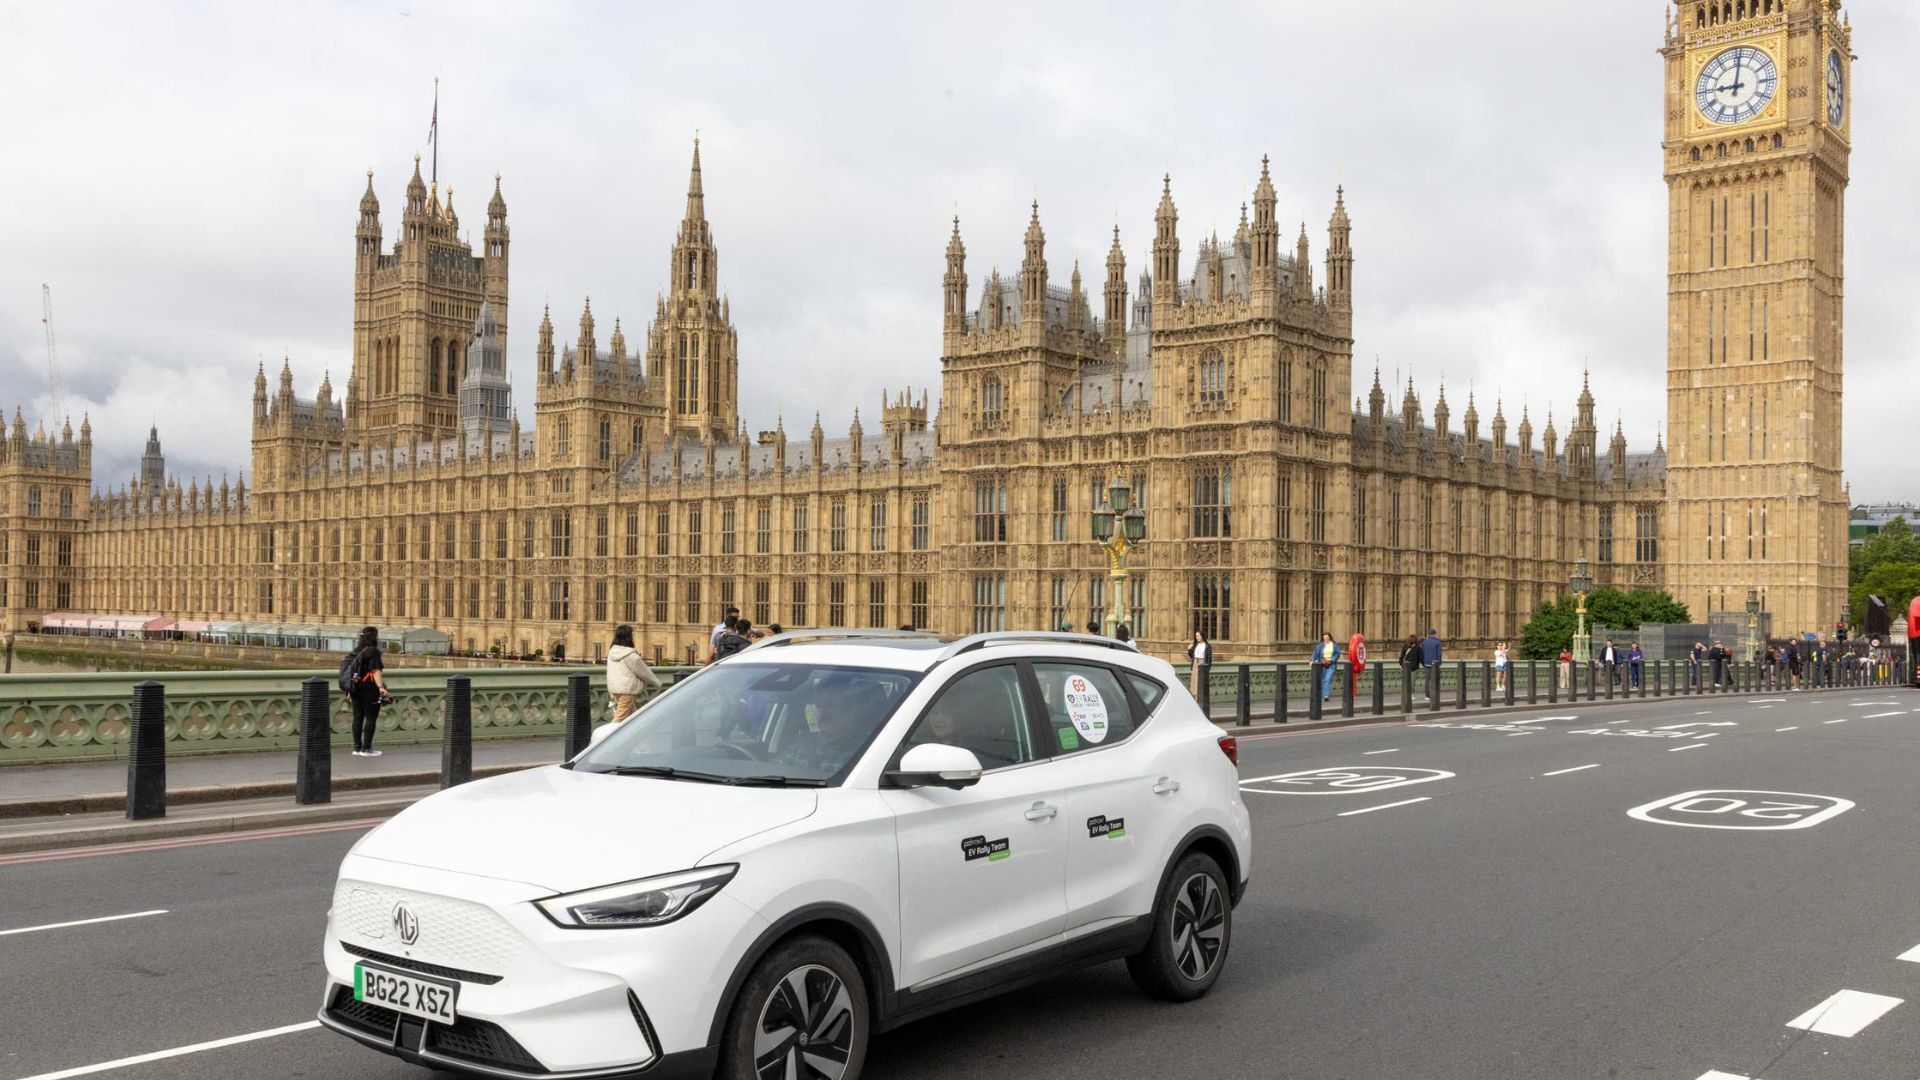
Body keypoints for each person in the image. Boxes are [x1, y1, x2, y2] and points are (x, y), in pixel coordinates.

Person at [346, 626, 391, 758]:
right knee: (371, 718)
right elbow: (375, 670)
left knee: (357, 718)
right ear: (374, 637)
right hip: (369, 688)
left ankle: (357, 747)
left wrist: (350, 689)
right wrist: (381, 687)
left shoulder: (356, 651)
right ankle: (366, 748)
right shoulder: (373, 652)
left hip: (355, 688)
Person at [606, 624, 663, 724]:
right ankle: (606, 738)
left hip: (615, 689)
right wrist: (658, 683)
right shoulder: (630, 655)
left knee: (632, 717)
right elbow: (644, 672)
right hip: (627, 689)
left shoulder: (612, 652)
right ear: (629, 637)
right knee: (619, 718)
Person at [1314, 632, 1340, 701]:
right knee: (1323, 680)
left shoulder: (1334, 645)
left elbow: (1338, 653)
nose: (1325, 638)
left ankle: (1326, 695)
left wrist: (1332, 659)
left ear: (1330, 637)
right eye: (1324, 637)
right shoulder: (1320, 645)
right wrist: (1311, 660)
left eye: (1327, 637)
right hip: (1322, 664)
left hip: (1331, 664)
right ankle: (1323, 694)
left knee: (1327, 679)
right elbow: (1316, 653)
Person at [1186, 631, 1212, 697]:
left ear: (1202, 636)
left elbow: (1209, 657)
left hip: (1202, 662)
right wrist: (1189, 650)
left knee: (1200, 680)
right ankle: (1195, 696)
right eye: (1196, 636)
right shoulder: (1195, 645)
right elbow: (1192, 656)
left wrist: (1208, 668)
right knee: (1194, 680)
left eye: (1198, 636)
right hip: (1195, 663)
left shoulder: (1207, 646)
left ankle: (1199, 696)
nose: (1197, 637)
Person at [1348, 630, 1368, 698]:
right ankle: (1353, 693)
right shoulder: (1359, 642)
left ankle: (1354, 693)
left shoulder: (1357, 642)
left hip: (1356, 663)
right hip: (1355, 663)